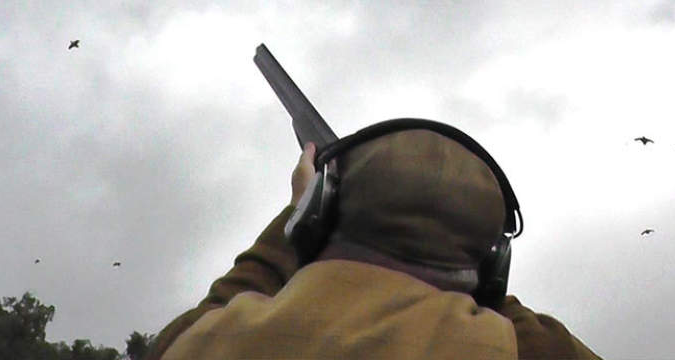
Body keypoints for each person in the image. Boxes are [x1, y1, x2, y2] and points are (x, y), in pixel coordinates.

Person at [145, 122, 602, 360]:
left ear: (318, 218)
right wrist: (488, 284)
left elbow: (235, 291)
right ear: (495, 261)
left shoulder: (200, 340)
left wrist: (297, 212)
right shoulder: (518, 349)